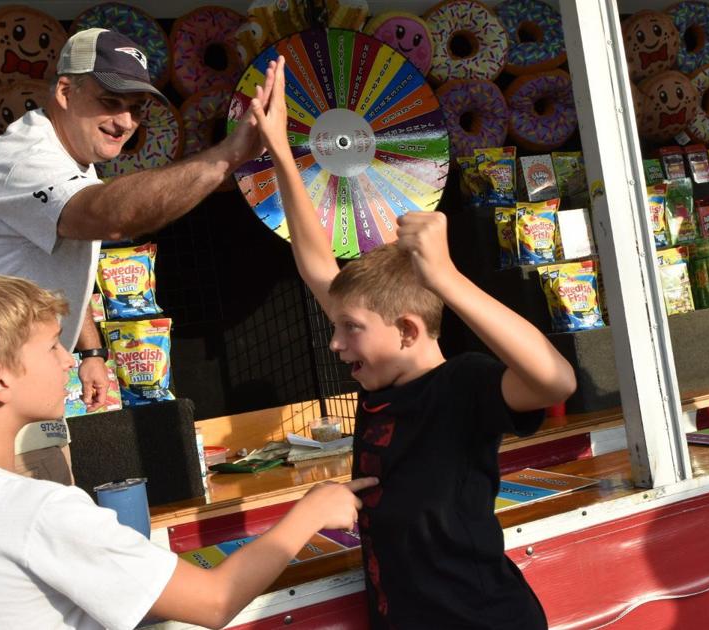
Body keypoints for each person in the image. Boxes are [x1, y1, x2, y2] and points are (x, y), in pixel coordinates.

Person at [0, 272, 376, 630]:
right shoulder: (39, 512)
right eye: (53, 345)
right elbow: (214, 602)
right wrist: (312, 511)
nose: (69, 359)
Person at [247, 58, 578, 628]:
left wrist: (446, 279)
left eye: (348, 328)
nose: (334, 343)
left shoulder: (462, 385)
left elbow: (556, 380)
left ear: (407, 330)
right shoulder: (382, 365)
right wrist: (280, 150)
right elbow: (315, 261)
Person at [0, 28, 278, 482]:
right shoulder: (26, 156)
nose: (125, 121)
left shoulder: (69, 158)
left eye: (135, 108)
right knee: (33, 527)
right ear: (66, 92)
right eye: (110, 101)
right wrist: (227, 155)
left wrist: (90, 350)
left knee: (42, 516)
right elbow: (110, 217)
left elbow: (59, 261)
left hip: (2, 380)